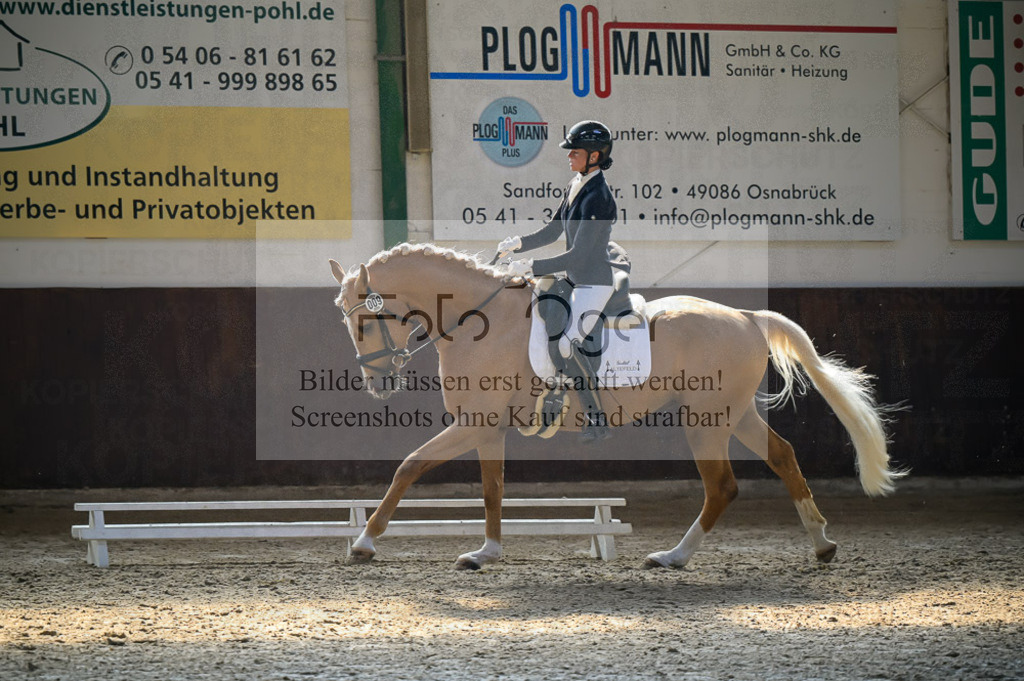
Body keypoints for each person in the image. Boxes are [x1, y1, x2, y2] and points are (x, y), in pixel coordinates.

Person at [498, 120, 628, 442]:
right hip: (574, 278)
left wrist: (530, 265)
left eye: (576, 151)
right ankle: (557, 389)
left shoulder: (599, 196)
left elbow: (577, 256)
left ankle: (596, 417)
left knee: (568, 343)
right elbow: (552, 231)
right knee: (547, 318)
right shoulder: (575, 184)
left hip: (593, 283)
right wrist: (518, 244)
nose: (569, 155)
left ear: (595, 156)